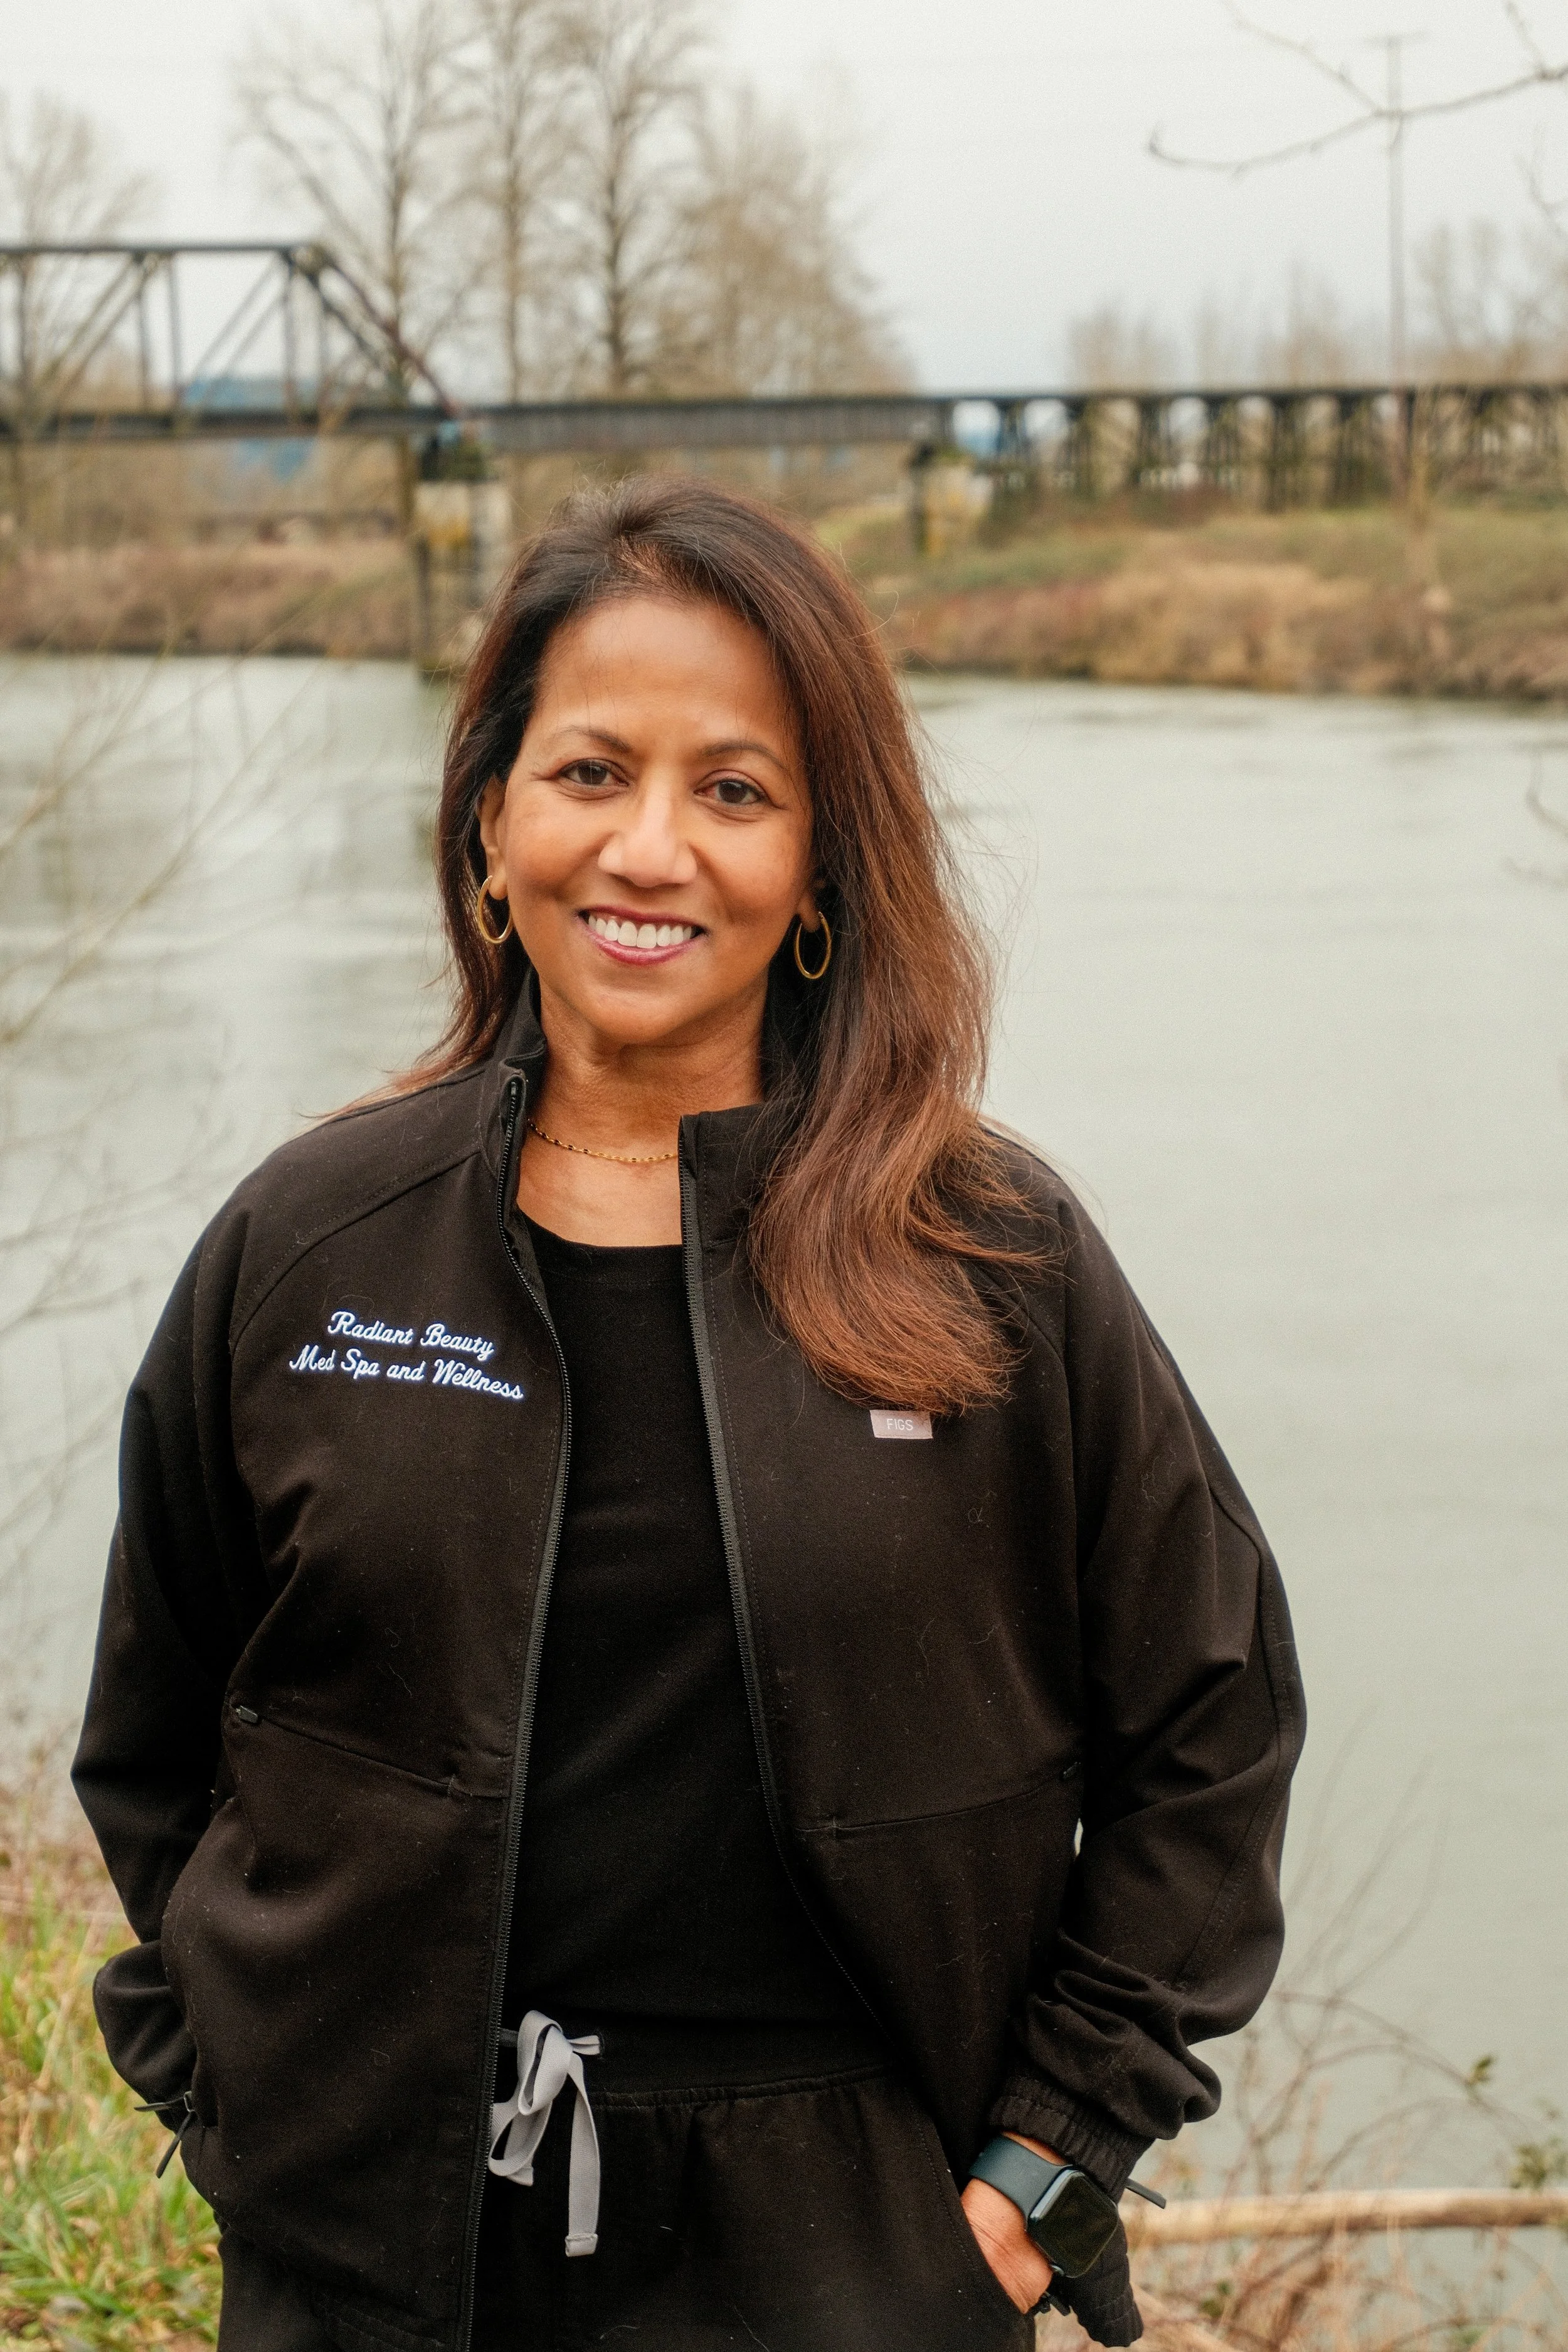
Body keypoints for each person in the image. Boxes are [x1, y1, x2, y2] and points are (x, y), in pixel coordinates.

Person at [73, 477, 1305, 2352]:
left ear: (818, 863)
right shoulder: (312, 1244)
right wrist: (247, 2079)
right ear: (490, 821)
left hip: (848, 2258)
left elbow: (1211, 1725)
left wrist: (1035, 2172)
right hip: (376, 2246)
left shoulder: (984, 1256)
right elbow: (155, 1737)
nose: (649, 848)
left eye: (732, 790)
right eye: (587, 774)